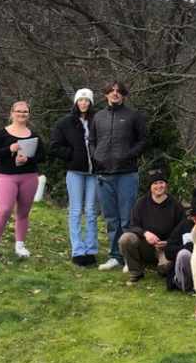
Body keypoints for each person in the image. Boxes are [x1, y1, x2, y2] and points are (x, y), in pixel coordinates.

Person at [92, 79, 150, 271]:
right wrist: (96, 156)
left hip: (126, 174)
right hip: (103, 175)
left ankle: (129, 258)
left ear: (123, 94)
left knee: (127, 219)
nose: (115, 93)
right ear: (106, 94)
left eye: (118, 91)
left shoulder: (133, 115)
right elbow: (92, 141)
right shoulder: (98, 117)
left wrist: (129, 154)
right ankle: (115, 256)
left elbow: (144, 139)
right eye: (111, 90)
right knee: (111, 219)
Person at [0, 100, 45, 260]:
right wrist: (9, 149)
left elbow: (42, 157)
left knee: (23, 212)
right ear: (12, 113)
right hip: (7, 176)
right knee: (4, 210)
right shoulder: (2, 134)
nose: (22, 114)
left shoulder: (34, 136)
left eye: (25, 112)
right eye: (19, 111)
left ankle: (20, 246)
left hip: (29, 176)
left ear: (29, 115)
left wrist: (27, 160)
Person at [49, 88, 99, 266]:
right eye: (80, 100)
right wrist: (73, 155)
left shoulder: (97, 121)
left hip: (94, 172)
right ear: (76, 102)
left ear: (91, 103)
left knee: (91, 211)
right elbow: (54, 146)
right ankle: (78, 250)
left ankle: (91, 249)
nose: (83, 103)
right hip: (75, 172)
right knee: (76, 210)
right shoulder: (65, 123)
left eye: (87, 100)